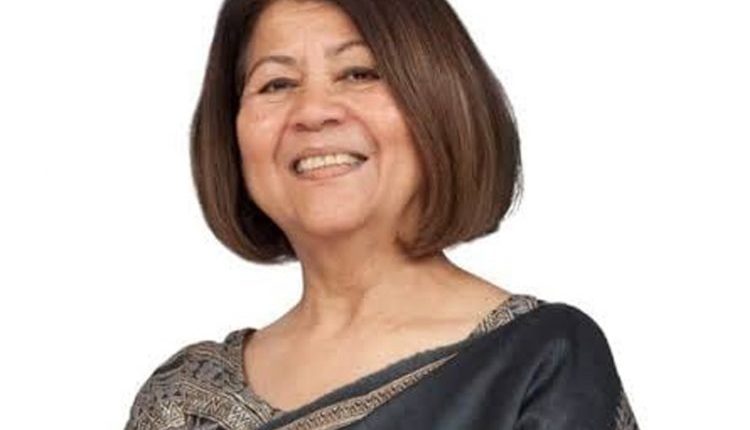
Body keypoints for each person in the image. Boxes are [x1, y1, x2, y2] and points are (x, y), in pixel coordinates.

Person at [125, 0, 639, 429]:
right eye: (276, 84)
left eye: (359, 73)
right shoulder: (181, 403)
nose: (313, 111)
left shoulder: (541, 364)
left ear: (440, 101)